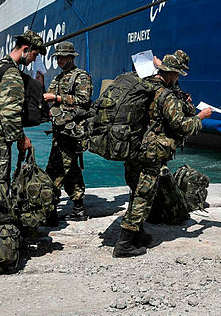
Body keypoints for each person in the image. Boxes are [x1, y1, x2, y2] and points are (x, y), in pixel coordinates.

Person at [113, 54, 212, 258]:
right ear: (174, 74)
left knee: (135, 191)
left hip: (132, 147)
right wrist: (200, 118)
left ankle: (138, 235)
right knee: (143, 195)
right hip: (150, 152)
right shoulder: (166, 96)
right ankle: (124, 244)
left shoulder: (145, 84)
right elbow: (183, 126)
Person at [0, 30, 44, 184]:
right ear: (25, 49)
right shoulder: (11, 73)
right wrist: (21, 138)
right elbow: (9, 113)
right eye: (34, 55)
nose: (33, 60)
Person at [44, 41, 93, 223]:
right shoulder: (58, 78)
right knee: (71, 170)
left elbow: (84, 99)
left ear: (72, 57)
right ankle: (79, 209)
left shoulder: (81, 77)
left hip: (72, 132)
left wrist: (56, 98)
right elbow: (48, 97)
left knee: (55, 170)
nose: (60, 60)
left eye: (64, 57)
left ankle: (49, 211)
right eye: (58, 57)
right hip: (60, 130)